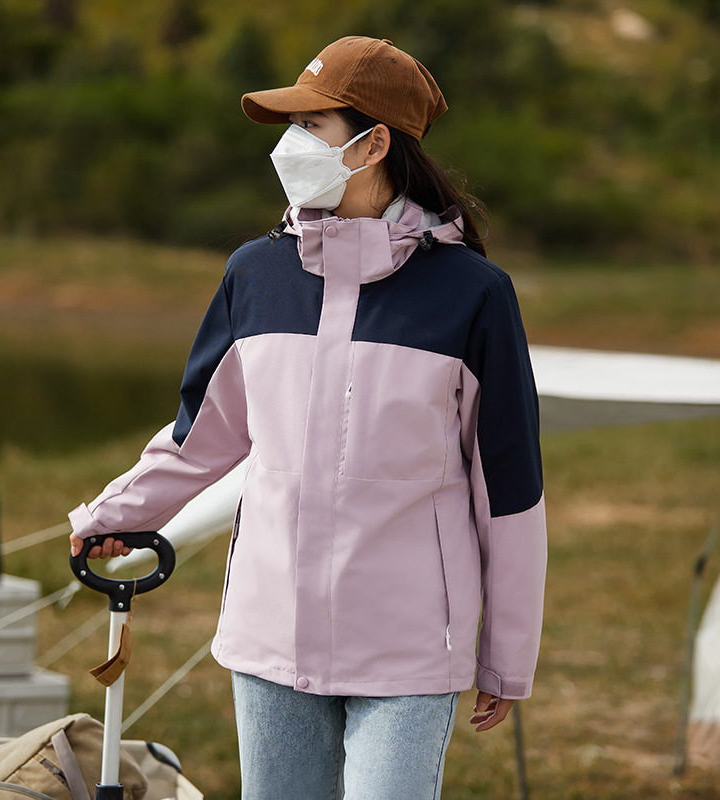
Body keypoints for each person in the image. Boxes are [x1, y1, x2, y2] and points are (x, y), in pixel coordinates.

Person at [69, 36, 547, 800]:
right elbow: (199, 438)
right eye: (291, 126)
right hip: (271, 637)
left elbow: (510, 491)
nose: (291, 145)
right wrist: (110, 515)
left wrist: (507, 653)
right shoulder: (254, 274)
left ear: (374, 144)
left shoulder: (473, 294)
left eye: (312, 125)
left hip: (409, 648)